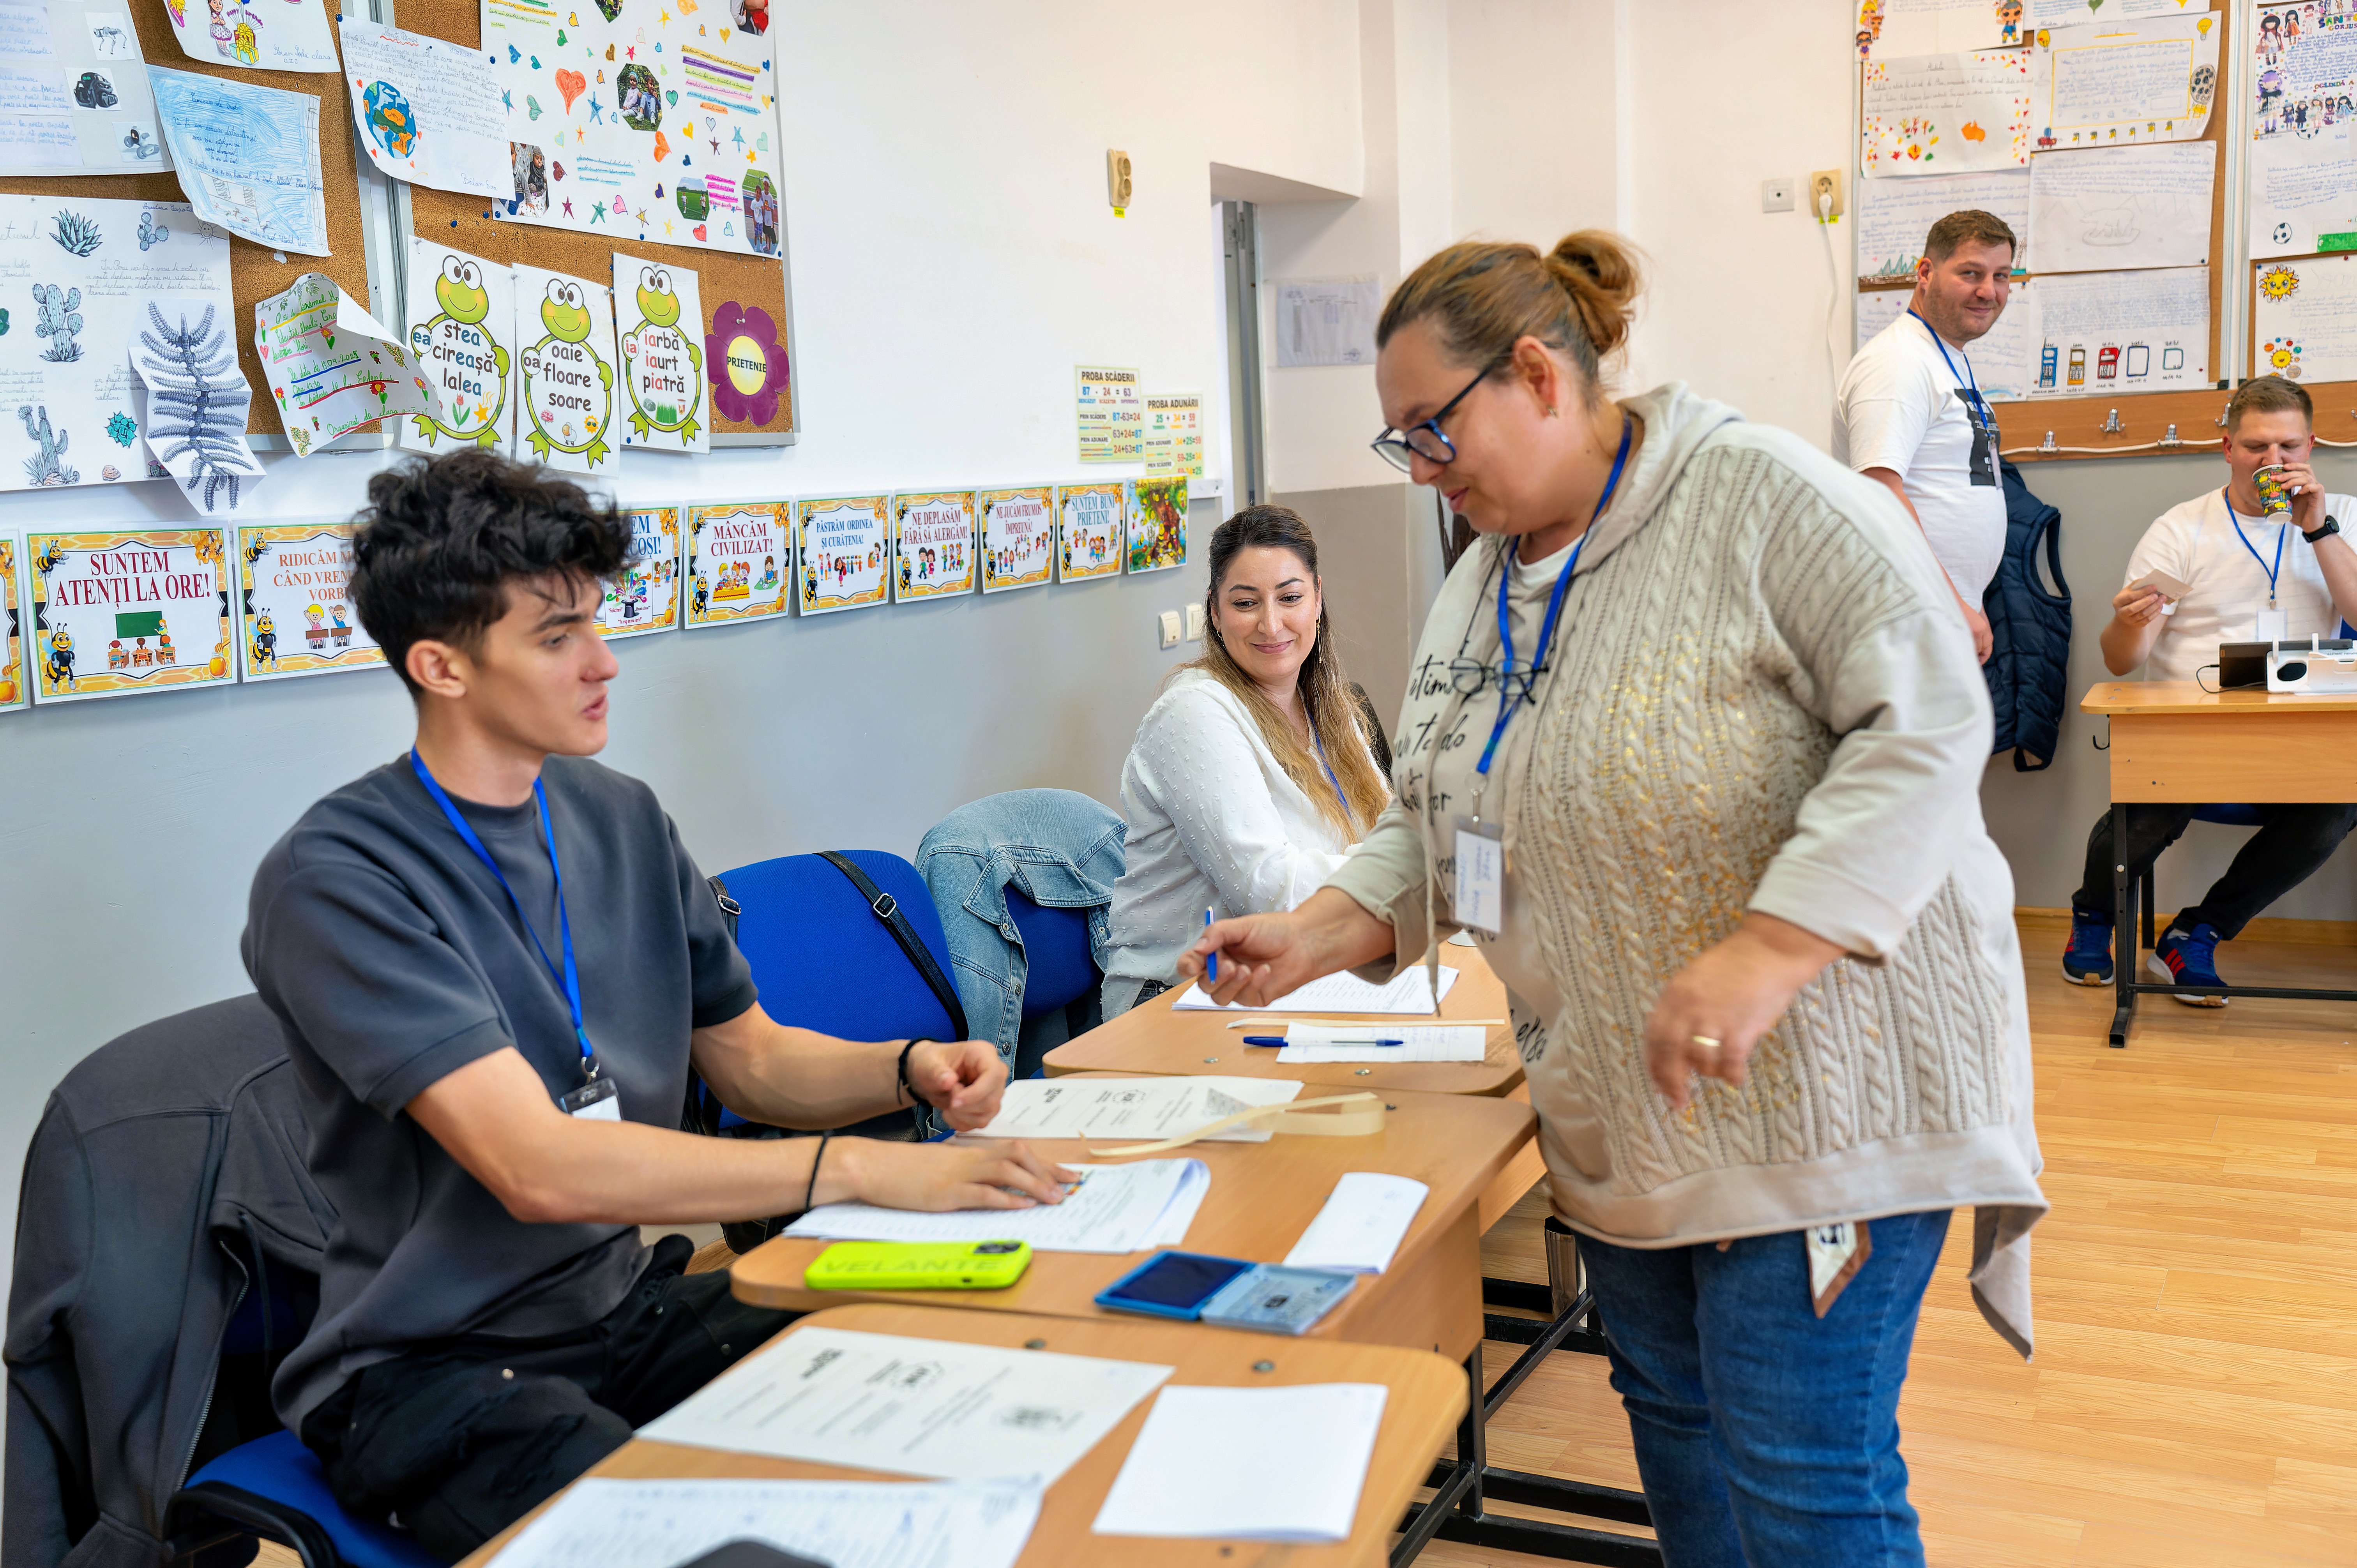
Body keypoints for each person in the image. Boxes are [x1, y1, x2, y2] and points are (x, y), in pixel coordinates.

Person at [1182, 232, 2046, 1566]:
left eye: (1432, 430)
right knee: (1678, 1437)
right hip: (1620, 1110)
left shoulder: (1759, 497)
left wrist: (1770, 946)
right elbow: (1440, 805)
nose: (1422, 468)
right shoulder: (1481, 577)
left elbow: (1929, 724)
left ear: (1537, 375)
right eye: (1402, 442)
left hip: (1821, 1092)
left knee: (1799, 1475)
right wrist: (1317, 931)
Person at [242, 451, 1072, 1561]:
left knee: (961, 1357)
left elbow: (753, 1062)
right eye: (557, 637)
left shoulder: (619, 815)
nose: (604, 661)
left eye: (595, 620)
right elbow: (539, 1166)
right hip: (431, 1367)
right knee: (719, 1546)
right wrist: (864, 1169)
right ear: (441, 666)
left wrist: (904, 1065)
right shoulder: (338, 877)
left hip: (619, 1307)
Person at [2060, 375, 2357, 999]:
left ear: (2311, 447)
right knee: (2147, 801)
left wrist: (2318, 529)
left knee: (2339, 804)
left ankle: (2197, 932)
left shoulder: (2345, 516)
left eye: (2289, 447)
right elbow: (2121, 662)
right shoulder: (2182, 529)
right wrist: (2127, 622)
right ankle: (2094, 914)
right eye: (2255, 447)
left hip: (2300, 739)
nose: (2273, 461)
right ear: (2227, 449)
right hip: (2192, 734)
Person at [1098, 506, 1391, 1016]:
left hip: (1305, 974)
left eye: (1290, 598)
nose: (1271, 624)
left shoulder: (1327, 704)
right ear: (1215, 611)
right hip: (1180, 997)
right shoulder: (1194, 712)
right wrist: (1406, 873)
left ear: (1318, 599)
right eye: (1246, 603)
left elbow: (1390, 828)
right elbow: (1270, 891)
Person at [1834, 208, 2020, 664]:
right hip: (1904, 615)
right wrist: (1950, 601)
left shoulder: (1942, 357)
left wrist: (1965, 599)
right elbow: (1879, 492)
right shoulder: (1898, 362)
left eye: (2001, 276)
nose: (1988, 291)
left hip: (1934, 611)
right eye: (1971, 273)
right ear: (1925, 273)